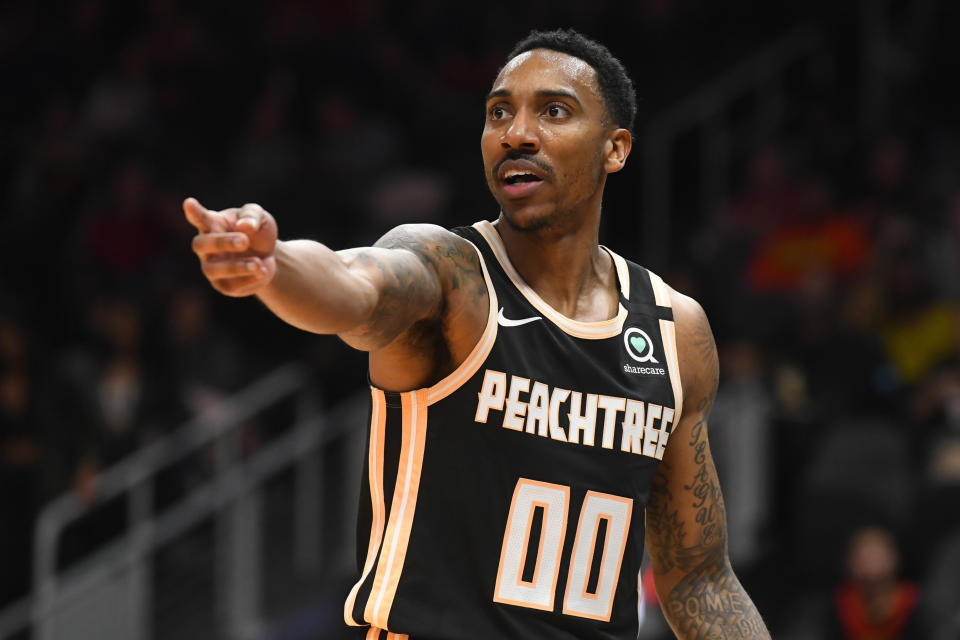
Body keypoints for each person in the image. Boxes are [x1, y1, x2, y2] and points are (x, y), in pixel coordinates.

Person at [185, 28, 770, 640]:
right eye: (499, 112)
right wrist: (274, 264)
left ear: (615, 149)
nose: (516, 131)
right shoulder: (450, 274)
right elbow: (353, 284)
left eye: (553, 111)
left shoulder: (675, 331)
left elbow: (699, 577)